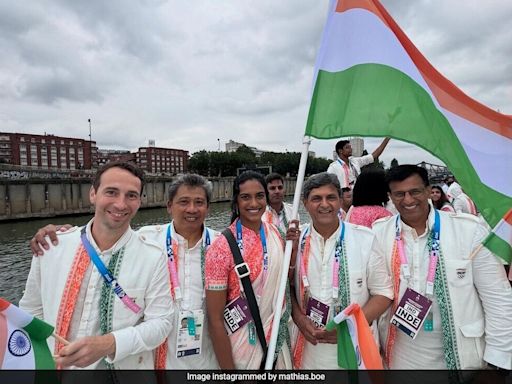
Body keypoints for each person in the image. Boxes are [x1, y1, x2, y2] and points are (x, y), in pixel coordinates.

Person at [30, 173, 220, 369]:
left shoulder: (221, 245)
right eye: (183, 202)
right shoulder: (148, 239)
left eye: (199, 202)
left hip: (203, 357)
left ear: (208, 207)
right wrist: (63, 233)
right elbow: (109, 233)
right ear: (169, 206)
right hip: (150, 358)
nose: (192, 209)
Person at [20, 161, 173, 369]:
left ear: (139, 201)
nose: (121, 204)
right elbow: (30, 311)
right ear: (93, 194)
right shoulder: (51, 246)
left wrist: (109, 344)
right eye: (111, 192)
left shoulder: (153, 257)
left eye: (131, 195)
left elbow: (162, 324)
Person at [373, 164, 512, 370]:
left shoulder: (468, 230)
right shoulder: (378, 233)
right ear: (390, 197)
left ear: (429, 191)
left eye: (415, 192)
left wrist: (497, 361)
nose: (408, 200)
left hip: (463, 360)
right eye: (400, 194)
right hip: (399, 359)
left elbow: (497, 297)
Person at [290, 172, 393, 369]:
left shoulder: (365, 239)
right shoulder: (295, 242)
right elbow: (288, 288)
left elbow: (383, 293)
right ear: (304, 203)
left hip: (357, 351)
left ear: (340, 200)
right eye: (316, 199)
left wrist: (350, 327)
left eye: (331, 197)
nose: (324, 205)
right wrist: (299, 318)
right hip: (309, 352)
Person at [204, 171, 293, 369]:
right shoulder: (221, 246)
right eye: (246, 197)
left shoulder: (276, 234)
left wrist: (293, 246)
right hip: (241, 349)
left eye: (259, 196)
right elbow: (215, 319)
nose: (254, 203)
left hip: (277, 339)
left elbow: (285, 284)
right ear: (236, 201)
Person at [262, 172, 298, 239]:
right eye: (272, 188)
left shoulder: (293, 210)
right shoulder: (261, 214)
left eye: (280, 187)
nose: (277, 191)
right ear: (265, 192)